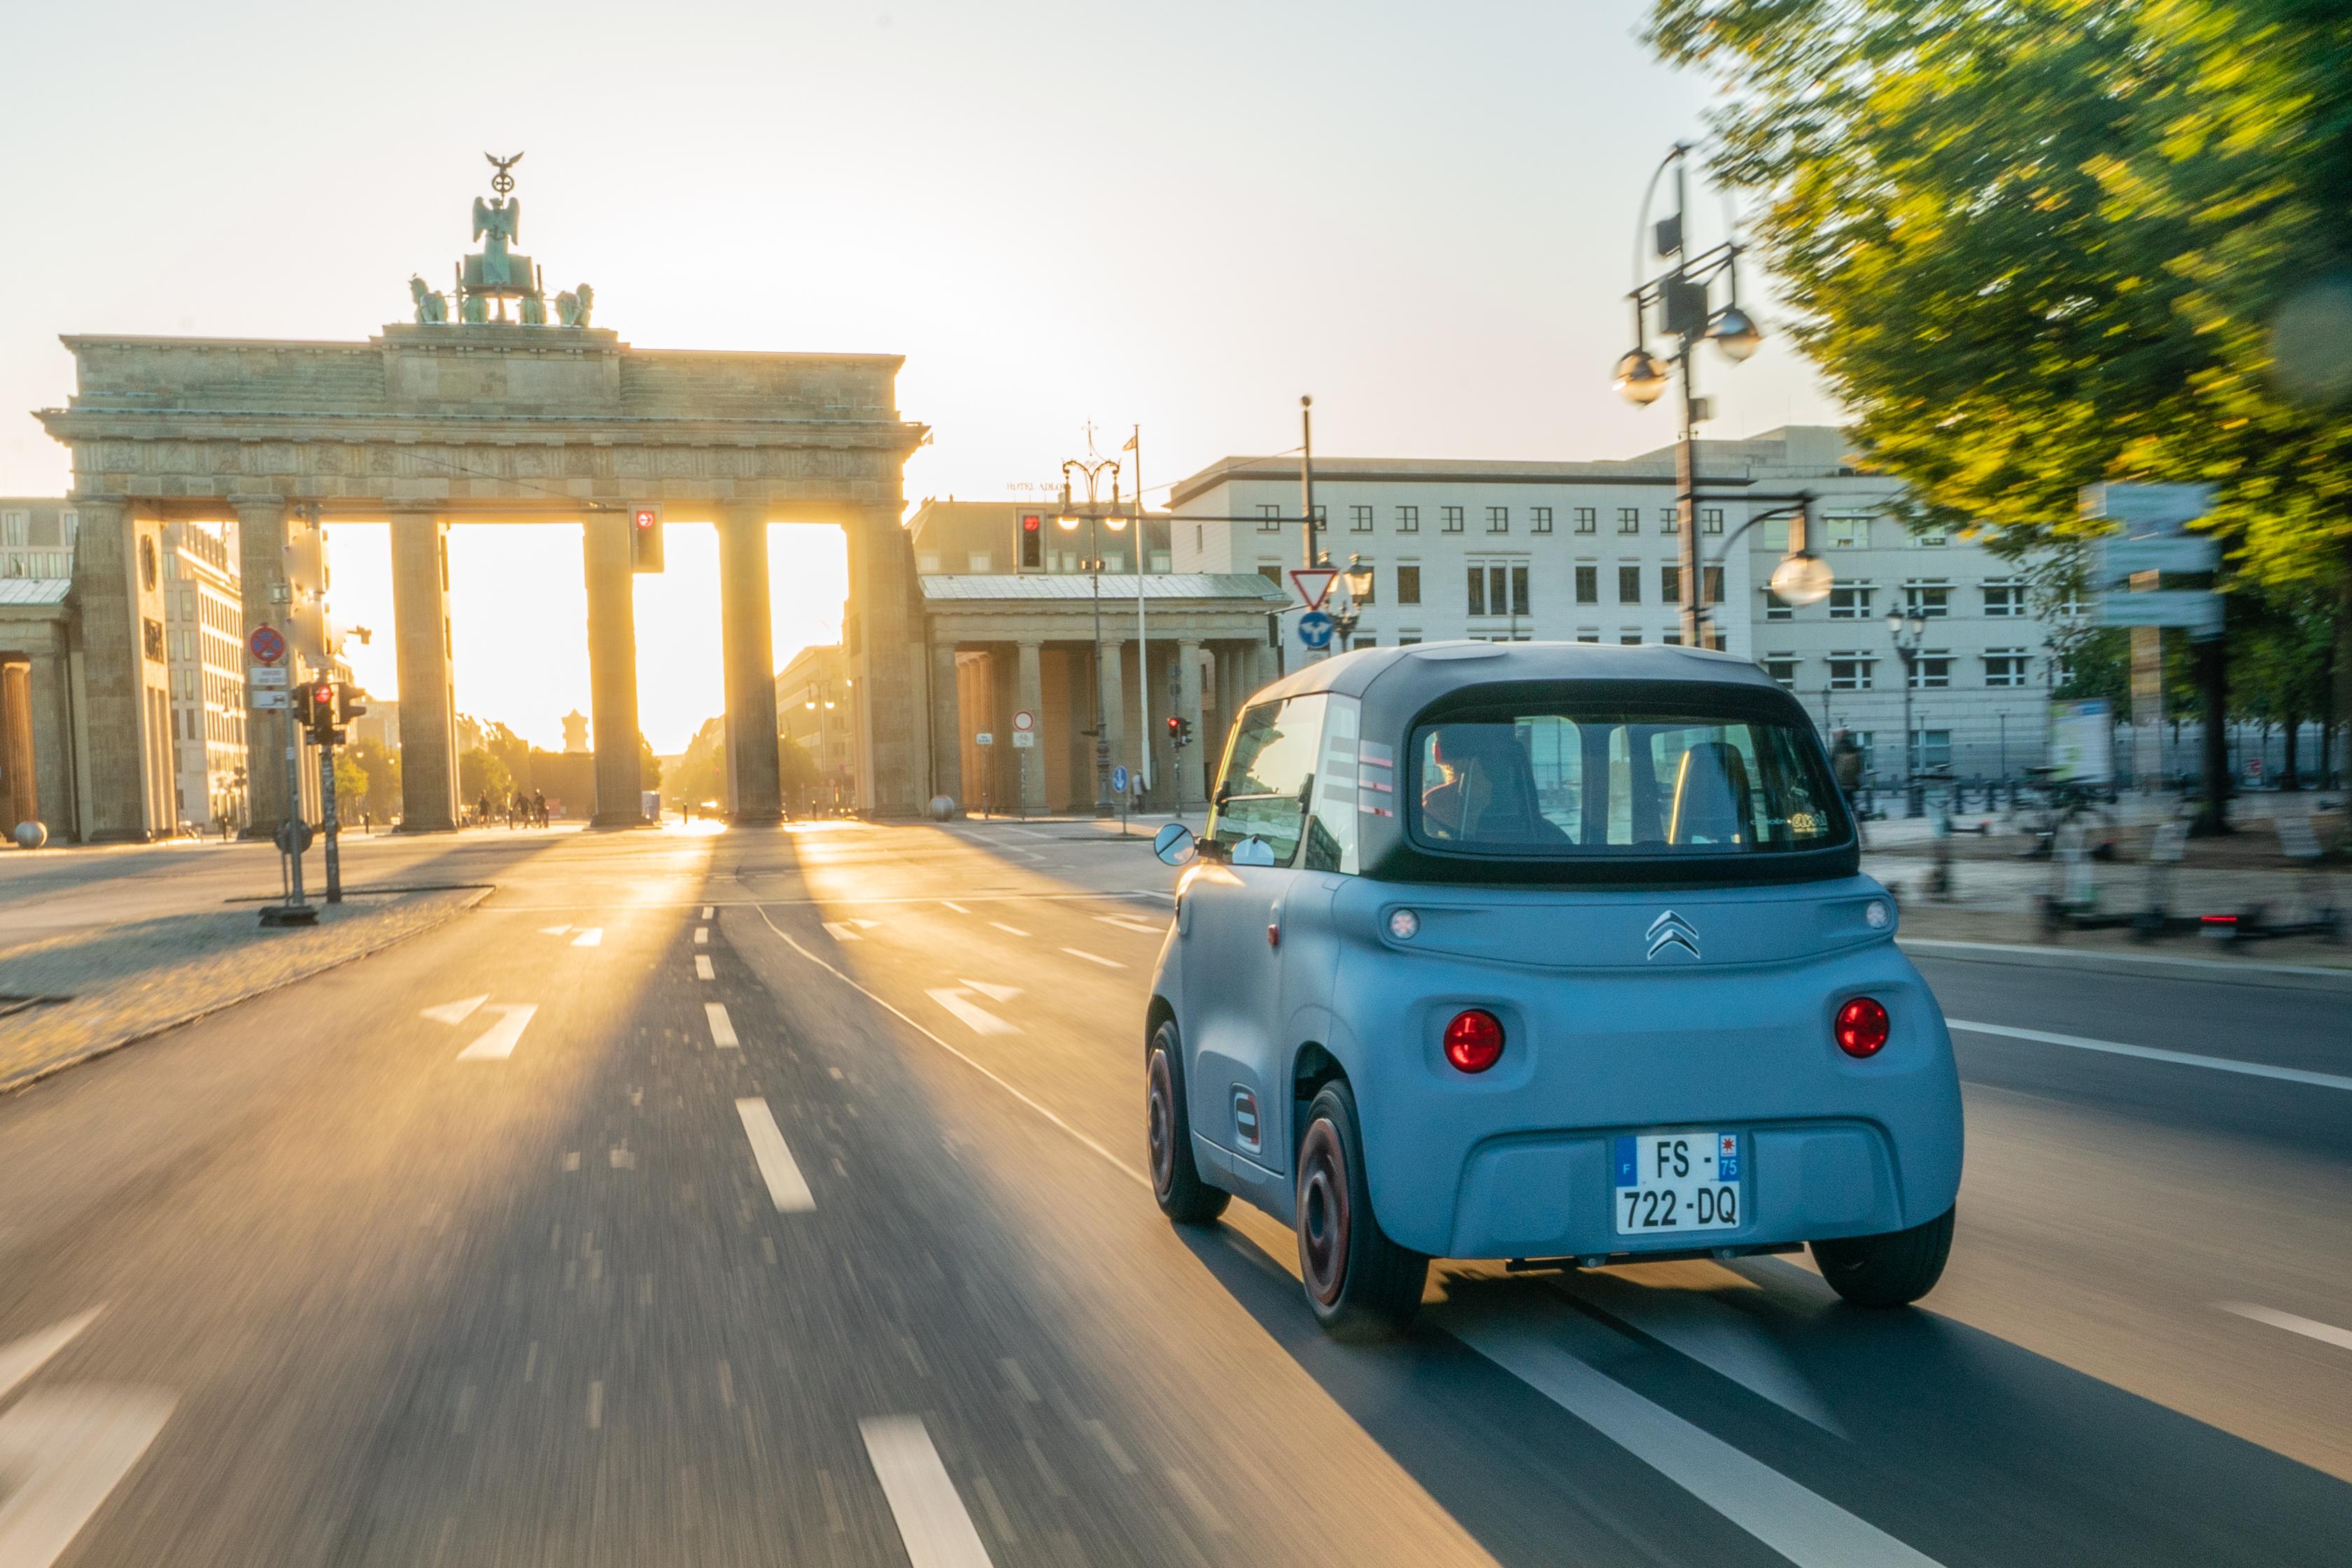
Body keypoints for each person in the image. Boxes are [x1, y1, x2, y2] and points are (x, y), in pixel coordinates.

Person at [1829, 728, 1870, 847]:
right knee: (1856, 814)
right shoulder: (1853, 748)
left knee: (1838, 815)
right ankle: (1864, 840)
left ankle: (1838, 840)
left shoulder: (1836, 749)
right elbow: (1860, 769)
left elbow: (1830, 767)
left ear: (1839, 736)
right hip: (1851, 786)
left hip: (1840, 788)